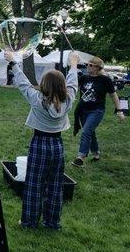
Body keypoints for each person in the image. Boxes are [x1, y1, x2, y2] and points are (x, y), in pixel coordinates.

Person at [5, 51, 79, 230]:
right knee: (55, 185)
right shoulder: (68, 100)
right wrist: (74, 64)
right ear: (62, 86)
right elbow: (72, 83)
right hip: (57, 145)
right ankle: (52, 223)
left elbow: (23, 82)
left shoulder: (37, 100)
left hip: (39, 143)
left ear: (44, 84)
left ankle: (29, 222)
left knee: (33, 184)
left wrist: (13, 63)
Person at [71, 56, 125, 167]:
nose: (88, 66)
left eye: (91, 65)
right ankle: (96, 154)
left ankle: (80, 157)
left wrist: (119, 110)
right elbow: (72, 87)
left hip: (96, 111)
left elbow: (114, 96)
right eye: (87, 64)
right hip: (83, 110)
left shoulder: (105, 80)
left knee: (86, 131)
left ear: (98, 68)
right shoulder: (83, 78)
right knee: (91, 132)